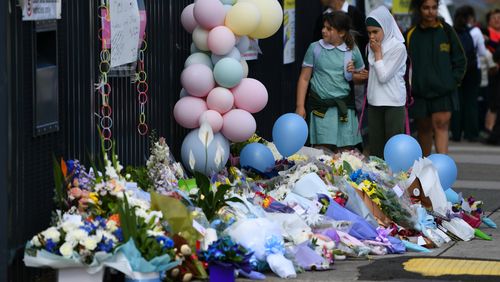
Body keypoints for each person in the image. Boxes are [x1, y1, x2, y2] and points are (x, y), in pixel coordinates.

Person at [296, 11, 365, 152]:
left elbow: (361, 79)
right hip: (321, 109)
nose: (323, 31)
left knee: (346, 152)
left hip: (344, 110)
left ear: (341, 33)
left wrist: (354, 74)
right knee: (322, 151)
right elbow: (304, 78)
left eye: (329, 29)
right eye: (323, 27)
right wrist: (300, 106)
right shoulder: (314, 48)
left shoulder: (352, 50)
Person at [406, 0, 466, 156]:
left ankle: (441, 172)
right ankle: (425, 172)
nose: (430, 11)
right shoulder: (411, 34)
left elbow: (460, 60)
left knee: (441, 127)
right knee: (424, 130)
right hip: (420, 93)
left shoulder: (447, 31)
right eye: (426, 7)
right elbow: (404, 64)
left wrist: (452, 82)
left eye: (434, 7)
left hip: (444, 92)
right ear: (419, 9)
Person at [350, 6, 407, 158]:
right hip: (374, 101)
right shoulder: (371, 46)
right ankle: (378, 181)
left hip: (393, 102)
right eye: (369, 32)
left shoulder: (398, 48)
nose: (372, 36)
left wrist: (378, 54)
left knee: (394, 149)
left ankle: (395, 181)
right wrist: (368, 74)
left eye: (375, 32)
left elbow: (384, 76)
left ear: (386, 28)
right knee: (376, 150)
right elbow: (378, 73)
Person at [451, 5, 487, 142]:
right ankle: (471, 133)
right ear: (470, 17)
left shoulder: (452, 31)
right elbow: (482, 53)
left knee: (457, 102)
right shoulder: (476, 32)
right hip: (473, 70)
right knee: (471, 102)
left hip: (457, 70)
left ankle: (456, 133)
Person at [484, 9, 500, 145]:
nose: (497, 20)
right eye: (494, 18)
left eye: (499, 18)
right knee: (493, 102)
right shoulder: (486, 33)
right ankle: (489, 129)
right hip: (491, 71)